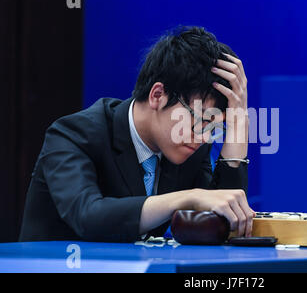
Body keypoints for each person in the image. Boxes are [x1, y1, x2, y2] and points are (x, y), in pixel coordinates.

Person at [19, 26, 254, 242]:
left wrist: (239, 124)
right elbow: (87, 216)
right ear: (157, 95)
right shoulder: (74, 134)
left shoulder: (189, 146)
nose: (204, 137)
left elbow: (222, 221)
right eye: (200, 120)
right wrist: (187, 197)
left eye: (213, 127)